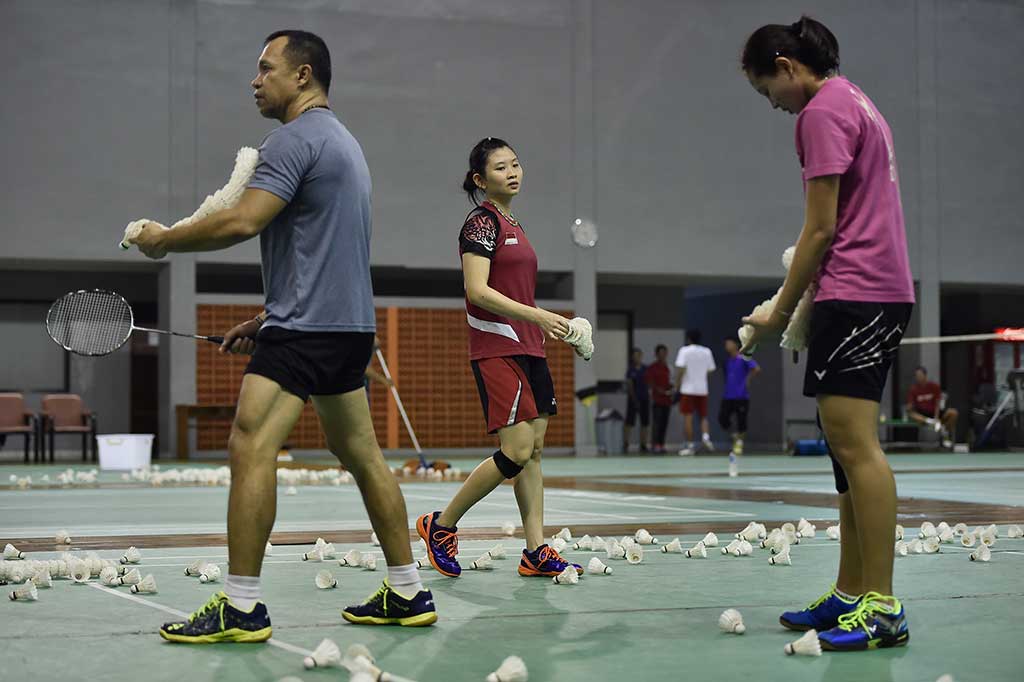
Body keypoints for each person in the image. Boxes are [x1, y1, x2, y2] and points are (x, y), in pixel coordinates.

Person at [133, 30, 436, 642]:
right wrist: (268, 317)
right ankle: (408, 591)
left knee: (249, 446)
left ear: (302, 76)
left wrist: (166, 240)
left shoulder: (292, 140)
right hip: (347, 328)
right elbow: (320, 251)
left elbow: (245, 219)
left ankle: (242, 605)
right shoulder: (345, 143)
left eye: (265, 69)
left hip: (306, 331)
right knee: (362, 455)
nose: (255, 80)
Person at [739, 17, 915, 651]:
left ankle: (884, 607)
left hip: (861, 292)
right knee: (844, 451)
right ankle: (849, 593)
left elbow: (819, 230)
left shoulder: (820, 112)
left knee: (855, 445)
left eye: (768, 91)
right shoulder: (854, 98)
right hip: (865, 291)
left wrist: (780, 313)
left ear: (788, 66)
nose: (774, 105)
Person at [416, 138, 583, 580]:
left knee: (535, 453)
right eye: (500, 167)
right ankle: (441, 524)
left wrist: (547, 326)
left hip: (531, 346)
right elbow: (478, 291)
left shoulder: (515, 223)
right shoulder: (480, 224)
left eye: (515, 164)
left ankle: (535, 550)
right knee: (516, 449)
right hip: (498, 347)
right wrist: (538, 314)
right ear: (480, 179)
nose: (512, 172)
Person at [719, 335, 761, 476]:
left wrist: (747, 380)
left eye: (729, 343)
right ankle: (735, 436)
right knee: (723, 418)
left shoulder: (743, 358)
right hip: (728, 396)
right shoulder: (727, 361)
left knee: (742, 421)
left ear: (736, 345)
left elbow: (756, 368)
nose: (727, 346)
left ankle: (739, 443)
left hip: (742, 396)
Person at [674, 329, 716, 455]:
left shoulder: (684, 351)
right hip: (702, 389)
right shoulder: (707, 351)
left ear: (688, 339)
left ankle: (690, 446)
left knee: (688, 417)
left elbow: (681, 369)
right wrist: (701, 375)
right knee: (703, 416)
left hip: (688, 389)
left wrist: (677, 385)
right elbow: (711, 370)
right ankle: (706, 438)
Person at [906, 366, 957, 449]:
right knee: (911, 414)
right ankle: (932, 423)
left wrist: (936, 417)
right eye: (917, 375)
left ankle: (944, 431)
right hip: (922, 415)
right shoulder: (913, 389)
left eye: (920, 375)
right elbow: (910, 405)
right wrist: (909, 407)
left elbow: (938, 403)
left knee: (953, 413)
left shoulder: (934, 386)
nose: (918, 377)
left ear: (925, 375)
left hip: (935, 413)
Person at [645, 344, 674, 453]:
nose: (663, 355)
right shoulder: (652, 368)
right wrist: (658, 390)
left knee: (664, 423)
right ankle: (655, 444)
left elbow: (672, 382)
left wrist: (670, 391)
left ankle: (661, 444)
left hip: (667, 400)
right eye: (660, 353)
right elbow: (650, 382)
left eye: (664, 353)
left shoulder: (669, 367)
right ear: (656, 354)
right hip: (657, 400)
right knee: (656, 423)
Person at [624, 348, 650, 453]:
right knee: (629, 422)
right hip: (633, 399)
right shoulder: (630, 370)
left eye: (638, 355)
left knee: (645, 422)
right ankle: (625, 443)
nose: (637, 358)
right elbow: (629, 385)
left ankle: (643, 444)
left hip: (644, 399)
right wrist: (634, 399)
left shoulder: (645, 369)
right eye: (635, 356)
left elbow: (649, 383)